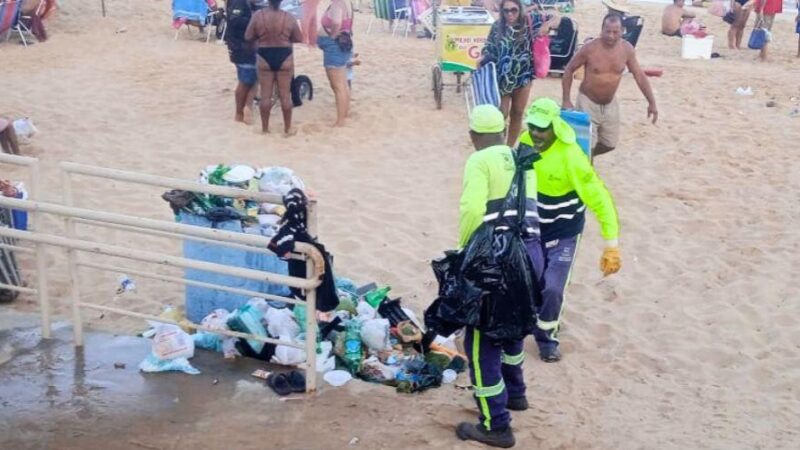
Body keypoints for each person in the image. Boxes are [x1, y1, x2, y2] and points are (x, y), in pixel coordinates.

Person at [456, 104, 544, 448]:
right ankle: (516, 394)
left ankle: (496, 424)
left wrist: (465, 254)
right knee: (513, 330)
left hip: (497, 259)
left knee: (479, 343)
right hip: (530, 254)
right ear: (504, 128)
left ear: (473, 136)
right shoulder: (520, 156)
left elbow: (473, 210)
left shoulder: (478, 161)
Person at [516, 98, 620, 362]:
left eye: (542, 128)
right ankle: (542, 317)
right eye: (532, 127)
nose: (536, 134)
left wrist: (611, 244)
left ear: (555, 127)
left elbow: (600, 199)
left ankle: (546, 338)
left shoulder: (572, 157)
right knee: (534, 282)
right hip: (533, 228)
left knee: (553, 287)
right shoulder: (526, 142)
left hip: (565, 231)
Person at [561, 13, 658, 157]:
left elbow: (639, 76)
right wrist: (566, 99)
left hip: (610, 104)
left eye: (615, 32)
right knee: (587, 145)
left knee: (609, 144)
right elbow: (569, 70)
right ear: (601, 30)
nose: (611, 36)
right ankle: (587, 167)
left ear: (622, 31)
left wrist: (652, 102)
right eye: (608, 31)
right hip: (587, 101)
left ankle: (581, 157)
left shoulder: (627, 49)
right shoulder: (589, 48)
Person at [245, 0, 304, 135]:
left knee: (265, 95)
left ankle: (265, 129)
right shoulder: (289, 17)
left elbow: (248, 36)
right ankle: (287, 128)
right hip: (284, 54)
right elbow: (299, 38)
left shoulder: (258, 15)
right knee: (285, 96)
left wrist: (261, 37)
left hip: (265, 53)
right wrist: (285, 37)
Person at [481, 0, 534, 147]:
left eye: (514, 10)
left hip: (523, 76)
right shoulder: (497, 27)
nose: (510, 14)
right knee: (501, 114)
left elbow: (559, 18)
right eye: (506, 10)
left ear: (520, 10)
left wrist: (546, 26)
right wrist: (483, 57)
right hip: (502, 77)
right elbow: (489, 47)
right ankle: (498, 146)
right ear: (502, 11)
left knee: (517, 113)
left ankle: (509, 147)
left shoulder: (528, 23)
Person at [317, 0, 353, 127]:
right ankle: (344, 114)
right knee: (342, 83)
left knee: (337, 86)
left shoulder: (337, 3)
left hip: (334, 47)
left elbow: (337, 22)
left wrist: (331, 36)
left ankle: (340, 121)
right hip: (340, 46)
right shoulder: (346, 3)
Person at [225, 0, 258, 125]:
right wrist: (255, 20)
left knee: (254, 78)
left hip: (247, 47)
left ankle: (247, 107)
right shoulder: (238, 2)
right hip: (241, 47)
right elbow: (235, 21)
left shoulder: (247, 3)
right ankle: (239, 113)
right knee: (245, 81)